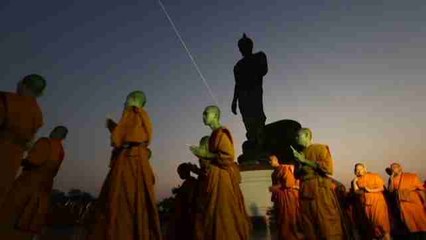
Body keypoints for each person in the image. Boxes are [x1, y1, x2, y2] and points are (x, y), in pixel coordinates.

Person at [86, 91, 162, 240]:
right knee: (125, 207)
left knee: (123, 206)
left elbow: (128, 137)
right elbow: (128, 134)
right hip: (130, 160)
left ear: (133, 100)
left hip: (130, 162)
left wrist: (115, 130)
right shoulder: (137, 116)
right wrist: (114, 128)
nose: (124, 103)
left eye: (126, 99)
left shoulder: (135, 113)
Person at [190, 105, 251, 240]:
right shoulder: (213, 135)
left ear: (215, 115)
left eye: (206, 114)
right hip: (215, 178)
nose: (203, 117)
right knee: (214, 215)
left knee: (223, 216)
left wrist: (205, 154)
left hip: (222, 180)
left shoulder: (221, 133)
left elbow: (228, 157)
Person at [0, 126, 67, 240]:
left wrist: (17, 157)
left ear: (57, 133)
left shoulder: (45, 142)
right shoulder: (61, 151)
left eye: (54, 130)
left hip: (28, 186)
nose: (51, 131)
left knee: (10, 219)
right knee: (29, 224)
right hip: (44, 190)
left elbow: (33, 161)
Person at [291, 128, 347, 240]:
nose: (295, 138)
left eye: (298, 136)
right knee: (309, 225)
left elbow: (328, 169)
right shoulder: (300, 154)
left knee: (326, 222)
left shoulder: (320, 148)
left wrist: (305, 161)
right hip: (305, 190)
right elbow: (297, 175)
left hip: (320, 189)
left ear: (307, 135)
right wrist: (299, 162)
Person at [0, 74, 45, 203]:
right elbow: (28, 144)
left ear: (23, 85)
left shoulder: (7, 100)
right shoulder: (38, 116)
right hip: (11, 162)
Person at [232, 33, 267, 146]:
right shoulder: (238, 66)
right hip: (243, 96)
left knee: (258, 117)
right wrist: (234, 100)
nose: (242, 49)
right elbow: (237, 84)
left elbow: (263, 70)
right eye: (241, 48)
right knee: (248, 120)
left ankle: (261, 142)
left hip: (254, 91)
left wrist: (250, 75)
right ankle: (252, 141)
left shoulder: (259, 56)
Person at [352, 163, 391, 240]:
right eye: (357, 170)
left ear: (365, 169)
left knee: (382, 225)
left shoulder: (374, 176)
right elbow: (356, 192)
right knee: (373, 227)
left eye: (360, 169)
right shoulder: (357, 180)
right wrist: (354, 182)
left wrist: (370, 190)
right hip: (366, 205)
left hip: (377, 203)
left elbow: (382, 188)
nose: (359, 171)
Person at [268, 154, 303, 240]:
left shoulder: (284, 168)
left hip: (288, 196)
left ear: (276, 160)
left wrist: (276, 187)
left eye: (271, 160)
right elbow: (275, 185)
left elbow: (289, 183)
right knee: (281, 219)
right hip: (279, 198)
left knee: (289, 217)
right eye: (268, 161)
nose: (269, 162)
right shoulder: (273, 173)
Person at [387, 163, 426, 239]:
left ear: (400, 168)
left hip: (415, 203)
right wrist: (391, 179)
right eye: (391, 168)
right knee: (410, 225)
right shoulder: (391, 179)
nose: (393, 169)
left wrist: (423, 201)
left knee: (421, 223)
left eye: (394, 167)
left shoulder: (411, 176)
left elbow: (421, 189)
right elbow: (390, 191)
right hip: (403, 205)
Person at [170, 163, 197, 240]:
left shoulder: (191, 182)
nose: (179, 174)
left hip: (186, 216)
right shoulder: (187, 183)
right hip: (184, 215)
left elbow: (190, 198)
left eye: (180, 172)